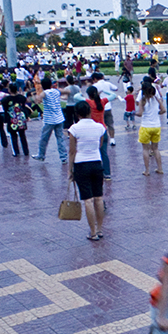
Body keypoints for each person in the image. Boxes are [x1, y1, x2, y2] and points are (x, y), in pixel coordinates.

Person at [68, 101, 106, 241]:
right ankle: (100, 229)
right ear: (90, 111)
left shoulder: (74, 129)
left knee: (88, 200)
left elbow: (72, 151)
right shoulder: (99, 127)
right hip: (96, 162)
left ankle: (93, 232)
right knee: (99, 198)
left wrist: (70, 170)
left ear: (77, 114)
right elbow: (100, 144)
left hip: (81, 164)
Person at [32, 77, 68, 164]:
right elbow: (66, 92)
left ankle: (41, 155)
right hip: (59, 118)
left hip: (49, 120)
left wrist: (34, 96)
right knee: (60, 138)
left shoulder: (45, 93)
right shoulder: (56, 91)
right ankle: (63, 157)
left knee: (44, 139)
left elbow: (38, 99)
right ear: (51, 84)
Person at [136, 76, 166, 176]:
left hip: (145, 126)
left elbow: (140, 113)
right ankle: (160, 168)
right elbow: (163, 110)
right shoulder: (156, 97)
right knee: (156, 149)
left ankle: (147, 170)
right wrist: (157, 113)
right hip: (156, 125)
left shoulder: (142, 99)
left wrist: (133, 113)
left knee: (145, 149)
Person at [85, 85, 114, 181]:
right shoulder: (102, 101)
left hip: (92, 131)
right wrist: (104, 90)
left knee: (92, 153)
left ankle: (94, 174)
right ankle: (107, 174)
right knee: (104, 153)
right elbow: (113, 95)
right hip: (103, 130)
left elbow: (76, 97)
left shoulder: (88, 102)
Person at [1, 84, 31, 157]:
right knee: (22, 135)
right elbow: (25, 104)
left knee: (13, 136)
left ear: (9, 90)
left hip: (12, 120)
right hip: (21, 119)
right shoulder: (21, 97)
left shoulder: (6, 99)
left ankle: (16, 152)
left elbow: (3, 106)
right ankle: (26, 151)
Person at [91, 72, 119, 147]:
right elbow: (116, 88)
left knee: (100, 124)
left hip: (99, 107)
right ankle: (112, 139)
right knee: (110, 124)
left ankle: (102, 139)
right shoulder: (107, 83)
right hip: (108, 106)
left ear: (95, 79)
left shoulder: (95, 86)